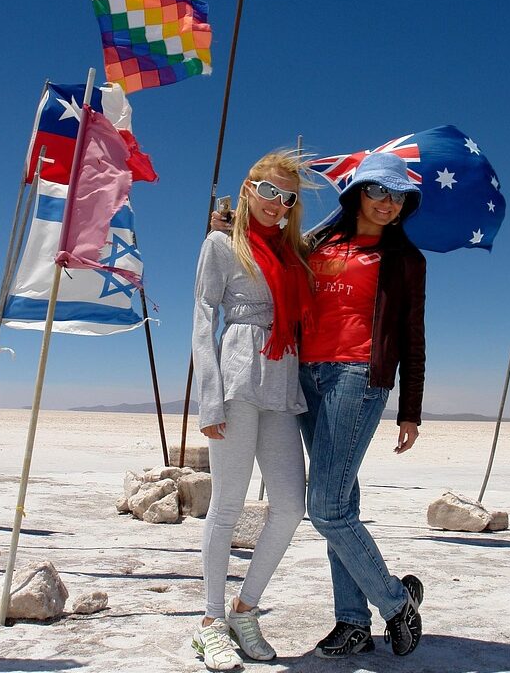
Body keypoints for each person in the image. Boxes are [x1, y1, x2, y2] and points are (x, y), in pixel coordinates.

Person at [297, 152, 426, 659]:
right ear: (358, 193)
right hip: (305, 375)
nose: (388, 204)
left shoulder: (405, 259)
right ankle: (352, 623)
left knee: (326, 508)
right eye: (380, 192)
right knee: (342, 506)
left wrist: (410, 409)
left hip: (357, 376)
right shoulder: (319, 243)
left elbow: (412, 337)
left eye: (398, 196)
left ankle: (395, 604)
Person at [190, 150, 315, 671]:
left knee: (290, 507)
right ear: (248, 190)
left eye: (287, 198)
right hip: (238, 380)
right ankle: (211, 621)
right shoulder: (221, 244)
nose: (277, 204)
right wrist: (209, 396)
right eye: (268, 191)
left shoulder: (292, 255)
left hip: (282, 382)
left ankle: (245, 609)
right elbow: (202, 318)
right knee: (227, 505)